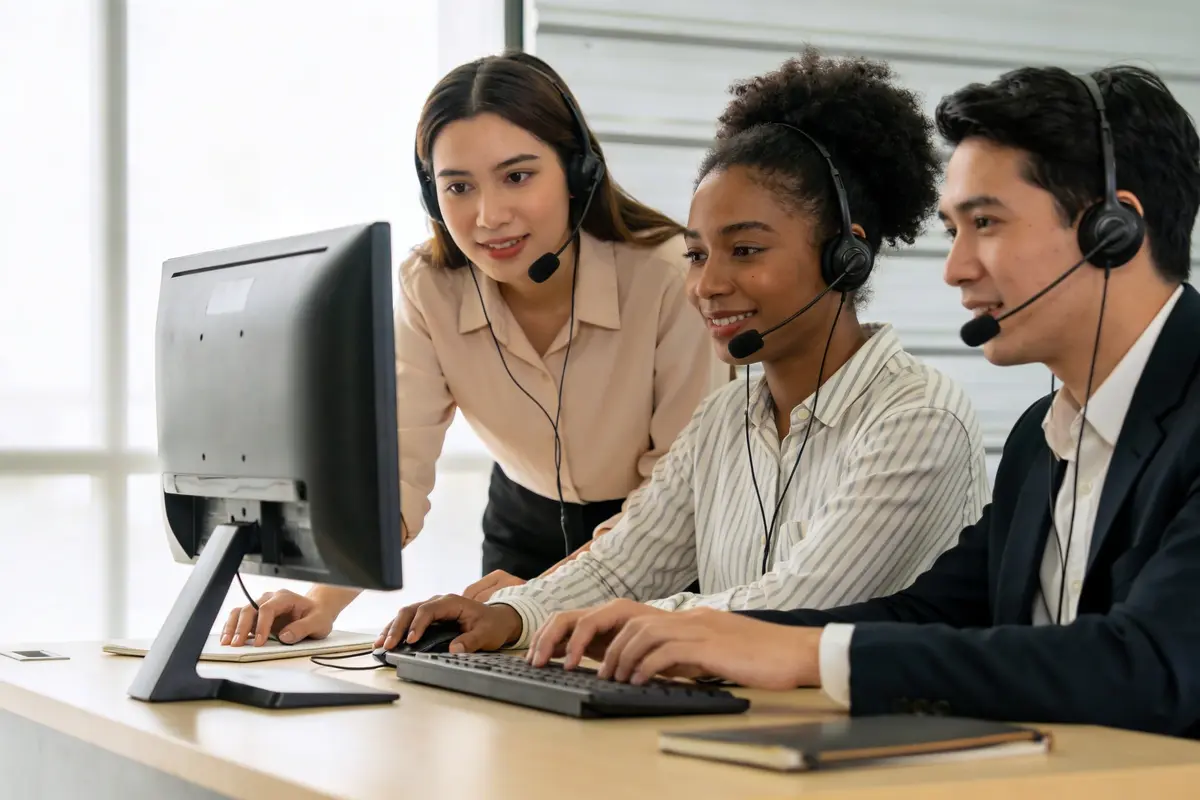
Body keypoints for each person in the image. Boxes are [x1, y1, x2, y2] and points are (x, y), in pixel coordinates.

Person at [528, 63, 1200, 739]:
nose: (955, 268)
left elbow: (1151, 666)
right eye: (953, 230)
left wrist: (804, 651)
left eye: (986, 223)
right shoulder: (1043, 438)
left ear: (1114, 230)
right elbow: (930, 613)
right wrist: (714, 633)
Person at [377, 49, 991, 655]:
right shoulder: (725, 420)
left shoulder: (916, 419)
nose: (706, 285)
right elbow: (623, 566)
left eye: (745, 251)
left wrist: (607, 621)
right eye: (697, 255)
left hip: (879, 745)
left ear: (844, 256)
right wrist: (511, 614)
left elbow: (796, 604)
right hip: (745, 728)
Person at [219, 51, 728, 648]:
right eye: (458, 187)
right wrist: (318, 602)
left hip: (661, 537)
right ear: (433, 199)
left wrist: (538, 598)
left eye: (517, 176)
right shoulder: (430, 286)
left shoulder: (670, 278)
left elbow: (671, 494)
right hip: (524, 522)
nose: (488, 217)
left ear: (578, 172)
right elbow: (399, 470)